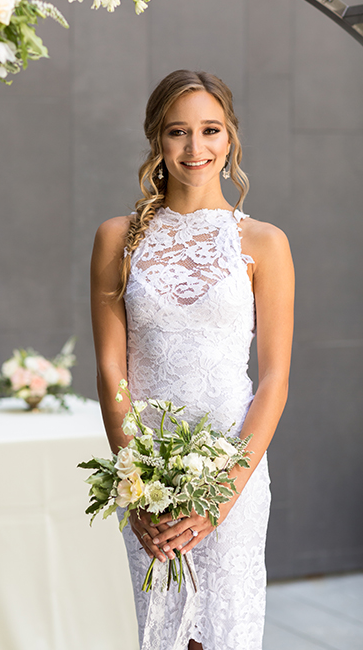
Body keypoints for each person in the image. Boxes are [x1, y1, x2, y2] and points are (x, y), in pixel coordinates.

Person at [90, 69, 294, 650]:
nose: (195, 147)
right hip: (149, 475)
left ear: (230, 138)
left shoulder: (264, 242)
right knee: (164, 634)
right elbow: (112, 371)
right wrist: (134, 485)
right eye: (178, 131)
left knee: (224, 636)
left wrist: (225, 492)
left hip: (233, 468)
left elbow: (275, 378)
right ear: (157, 139)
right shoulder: (117, 237)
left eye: (210, 130)